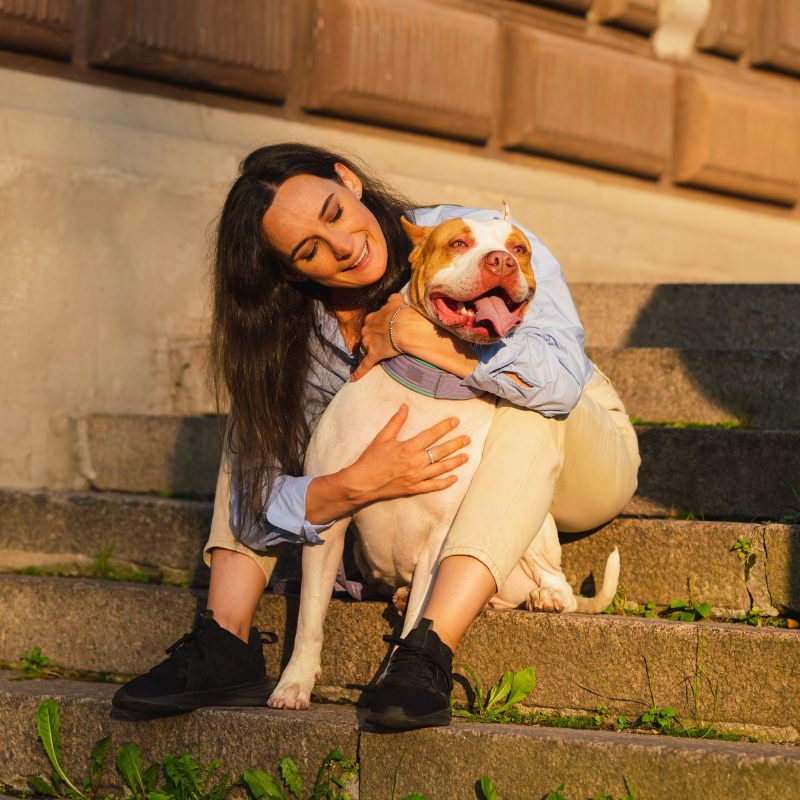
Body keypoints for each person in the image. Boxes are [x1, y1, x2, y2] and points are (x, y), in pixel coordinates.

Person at [112, 142, 640, 727]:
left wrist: (419, 338)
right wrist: (347, 487)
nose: (341, 245)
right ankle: (225, 643)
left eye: (334, 213)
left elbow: (561, 384)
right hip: (460, 483)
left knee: (523, 402)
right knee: (257, 407)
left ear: (350, 180)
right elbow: (261, 501)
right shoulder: (295, 335)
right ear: (290, 270)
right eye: (309, 249)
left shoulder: (477, 237)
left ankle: (429, 647)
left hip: (581, 446)